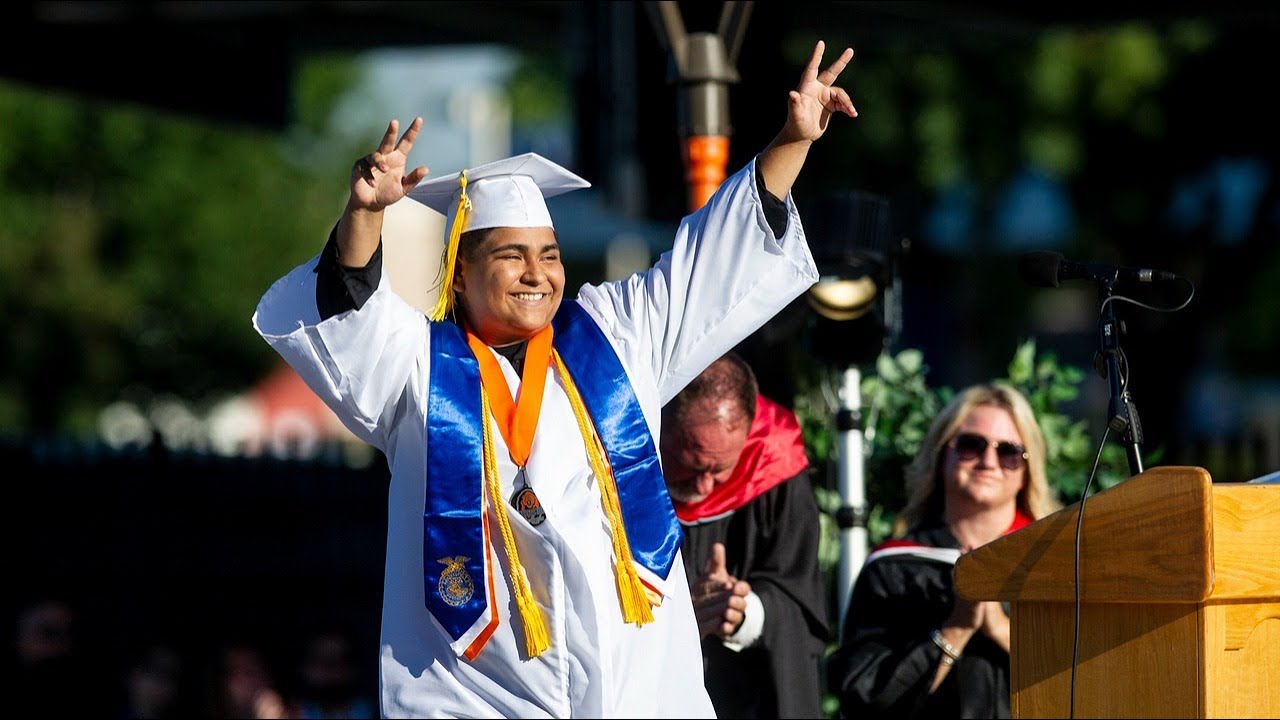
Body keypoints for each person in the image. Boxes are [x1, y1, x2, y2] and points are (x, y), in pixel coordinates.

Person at [252, 40, 857, 718]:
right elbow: (349, 309)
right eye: (511, 256)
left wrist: (792, 140)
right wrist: (365, 216)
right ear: (460, 272)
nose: (538, 274)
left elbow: (710, 259)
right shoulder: (415, 368)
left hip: (637, 693)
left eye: (549, 254)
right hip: (477, 698)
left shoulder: (616, 335)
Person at [826, 382, 1063, 719]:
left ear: (1027, 471)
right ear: (941, 456)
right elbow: (863, 695)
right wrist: (955, 629)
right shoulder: (895, 568)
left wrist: (1000, 628)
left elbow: (1091, 684)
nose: (989, 461)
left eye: (1009, 452)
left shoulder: (1056, 565)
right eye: (970, 445)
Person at [659, 352, 830, 718]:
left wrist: (743, 611)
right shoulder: (615, 457)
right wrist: (677, 612)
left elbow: (802, 600)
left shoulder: (774, 465)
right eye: (689, 464)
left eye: (719, 468)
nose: (705, 487)